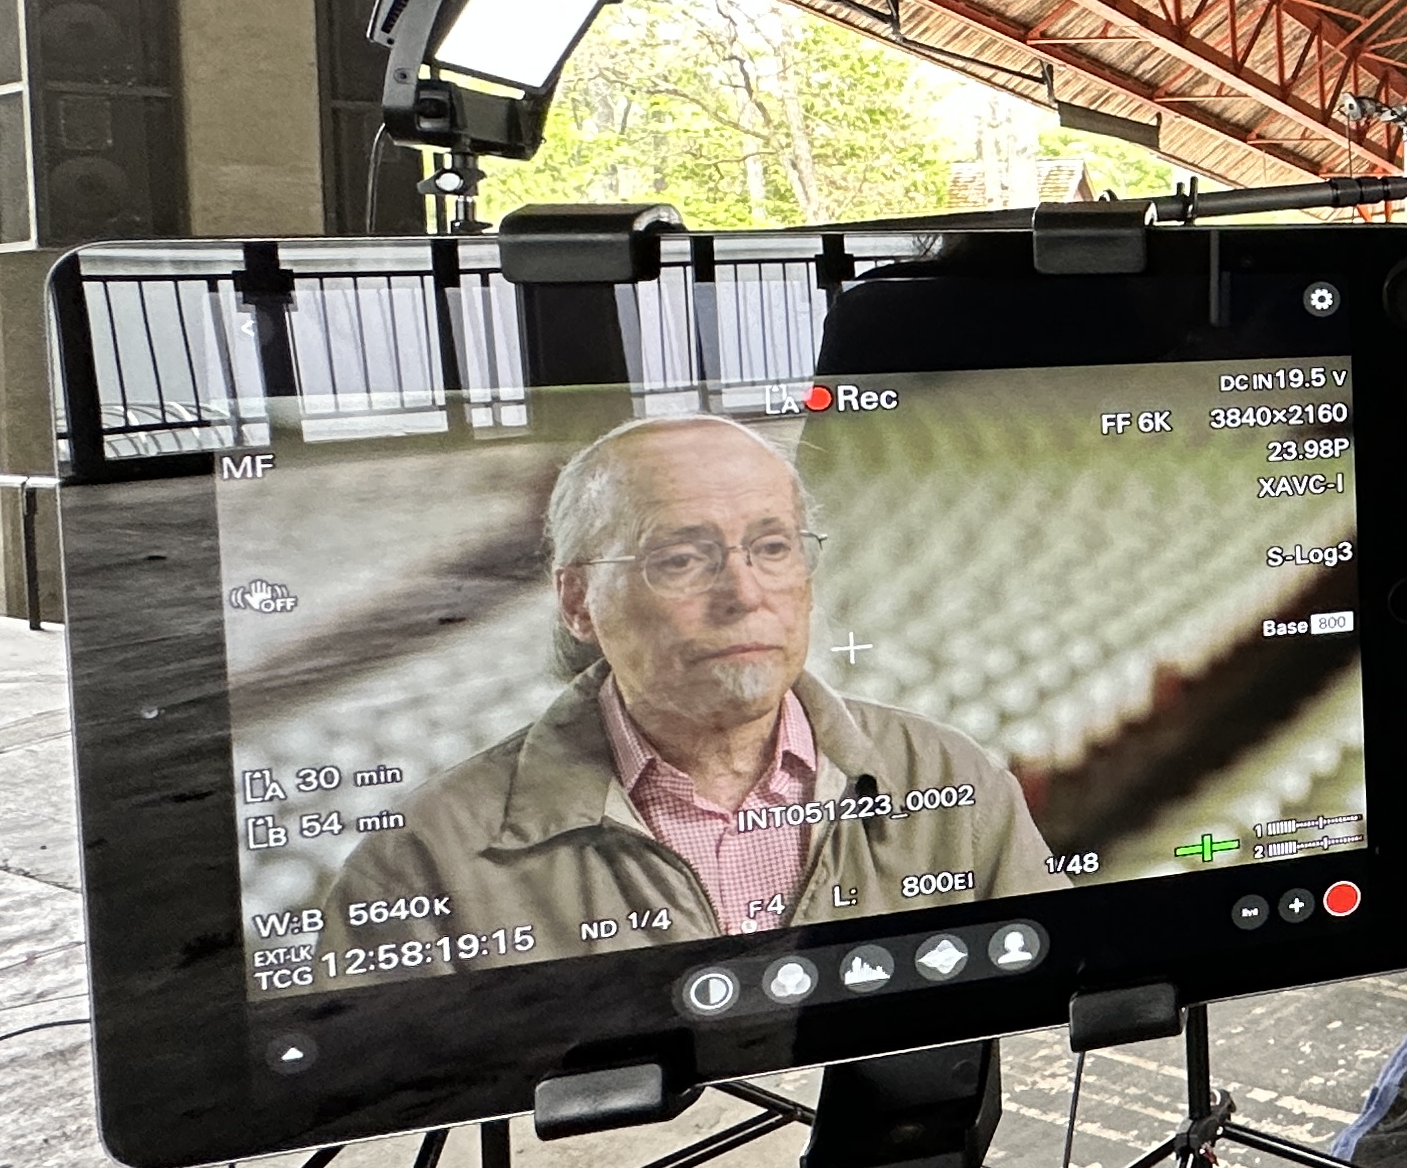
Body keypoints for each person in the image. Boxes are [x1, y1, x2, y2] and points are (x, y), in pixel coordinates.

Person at [328, 414, 1037, 967]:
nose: (744, 593)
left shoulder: (950, 778)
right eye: (680, 558)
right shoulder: (425, 860)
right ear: (579, 602)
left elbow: (1052, 1000)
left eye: (772, 547)